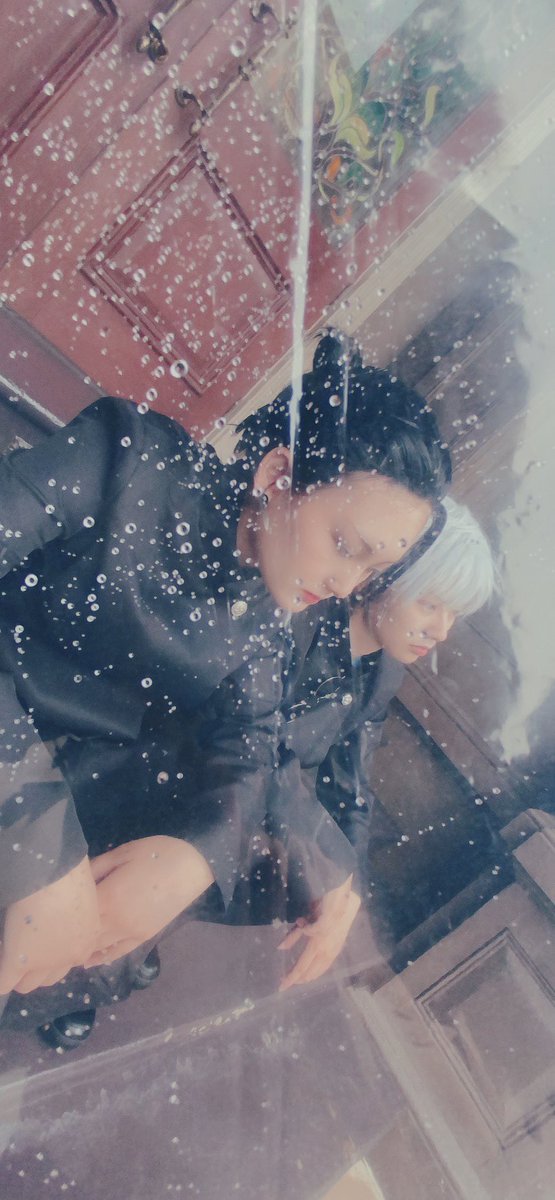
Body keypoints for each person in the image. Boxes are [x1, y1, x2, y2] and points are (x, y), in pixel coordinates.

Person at [0, 332, 450, 1022]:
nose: (345, 584)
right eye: (343, 545)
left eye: (370, 569)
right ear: (277, 474)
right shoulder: (129, 461)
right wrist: (39, 843)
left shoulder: (271, 612)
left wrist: (193, 859)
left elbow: (254, 748)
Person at [274, 496, 495, 989]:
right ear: (387, 575)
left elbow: (349, 785)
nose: (441, 631)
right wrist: (329, 874)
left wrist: (345, 882)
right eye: (430, 604)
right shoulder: (304, 616)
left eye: (454, 613)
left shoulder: (383, 669)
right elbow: (257, 749)